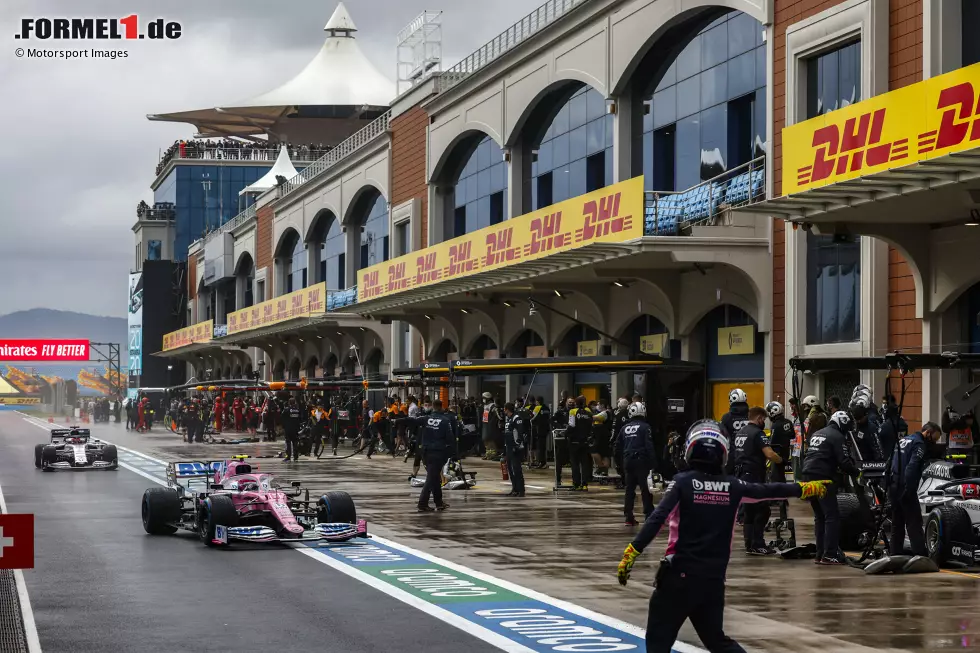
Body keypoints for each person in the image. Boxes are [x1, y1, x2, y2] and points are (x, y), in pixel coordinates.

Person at [616, 420, 830, 653]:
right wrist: (804, 488)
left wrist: (633, 551)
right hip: (713, 580)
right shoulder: (734, 486)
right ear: (723, 453)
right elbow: (770, 490)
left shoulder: (682, 483)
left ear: (690, 449)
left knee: (658, 641)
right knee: (718, 641)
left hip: (678, 577)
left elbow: (657, 518)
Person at [801, 410, 859, 564]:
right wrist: (858, 471)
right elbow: (844, 462)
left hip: (807, 476)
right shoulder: (837, 436)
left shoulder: (818, 433)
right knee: (832, 517)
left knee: (819, 517)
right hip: (823, 478)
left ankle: (820, 554)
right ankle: (830, 554)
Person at [732, 406, 783, 554]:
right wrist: (781, 460)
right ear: (759, 418)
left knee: (748, 511)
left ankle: (749, 545)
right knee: (762, 509)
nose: (764, 423)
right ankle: (758, 544)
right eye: (764, 420)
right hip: (754, 475)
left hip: (741, 475)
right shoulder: (758, 433)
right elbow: (770, 454)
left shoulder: (741, 432)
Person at [889, 421, 942, 557]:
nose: (934, 443)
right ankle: (920, 555)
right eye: (934, 439)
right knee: (914, 522)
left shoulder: (903, 440)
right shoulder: (919, 444)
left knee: (897, 523)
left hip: (893, 484)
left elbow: (889, 462)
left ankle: (895, 553)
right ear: (928, 433)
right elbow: (911, 468)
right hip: (905, 486)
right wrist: (909, 489)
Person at [614, 402, 655, 526]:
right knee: (645, 489)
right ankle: (649, 515)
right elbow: (649, 446)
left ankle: (628, 517)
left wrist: (619, 464)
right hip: (641, 461)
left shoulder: (624, 428)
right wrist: (654, 463)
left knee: (629, 490)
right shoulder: (645, 427)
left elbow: (617, 447)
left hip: (628, 461)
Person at [412, 399, 457, 512]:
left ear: (432, 407)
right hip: (437, 452)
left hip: (426, 452)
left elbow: (412, 422)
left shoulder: (426, 418)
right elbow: (450, 438)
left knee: (435, 477)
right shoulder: (445, 420)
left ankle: (439, 502)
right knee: (431, 478)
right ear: (441, 407)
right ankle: (422, 504)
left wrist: (396, 421)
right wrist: (453, 452)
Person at [766, 400, 794, 521]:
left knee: (775, 478)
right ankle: (783, 500)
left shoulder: (775, 425)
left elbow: (771, 442)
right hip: (785, 454)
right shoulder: (788, 422)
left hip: (777, 455)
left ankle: (778, 501)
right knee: (781, 478)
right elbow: (792, 435)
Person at [567, 396, 594, 490]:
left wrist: (566, 433)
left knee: (575, 464)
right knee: (584, 463)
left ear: (576, 403)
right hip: (585, 441)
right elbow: (592, 426)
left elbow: (571, 425)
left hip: (574, 441)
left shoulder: (573, 411)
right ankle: (585, 484)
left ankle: (576, 484)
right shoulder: (589, 413)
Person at [502, 402, 529, 496]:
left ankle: (521, 490)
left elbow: (520, 433)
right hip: (508, 447)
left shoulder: (516, 418)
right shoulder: (508, 419)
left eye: (504, 409)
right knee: (510, 469)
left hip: (515, 448)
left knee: (516, 469)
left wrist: (517, 445)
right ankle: (514, 489)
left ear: (507, 409)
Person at [481, 393, 504, 460]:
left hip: (491, 425)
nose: (483, 399)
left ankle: (492, 455)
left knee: (491, 441)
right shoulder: (485, 406)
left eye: (484, 398)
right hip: (485, 425)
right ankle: (488, 454)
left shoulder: (492, 406)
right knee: (486, 440)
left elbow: (497, 416)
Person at [530, 396, 551, 469]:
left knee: (539, 447)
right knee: (543, 447)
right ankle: (544, 462)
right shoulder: (547, 408)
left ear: (538, 401)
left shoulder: (537, 408)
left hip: (539, 430)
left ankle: (541, 462)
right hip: (546, 429)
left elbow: (531, 418)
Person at [281, 397, 303, 462]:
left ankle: (288, 457)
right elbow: (300, 419)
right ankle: (296, 457)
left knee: (288, 443)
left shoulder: (286, 410)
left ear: (289, 403)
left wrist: (283, 426)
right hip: (296, 429)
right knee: (295, 442)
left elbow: (282, 418)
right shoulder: (298, 410)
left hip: (288, 429)